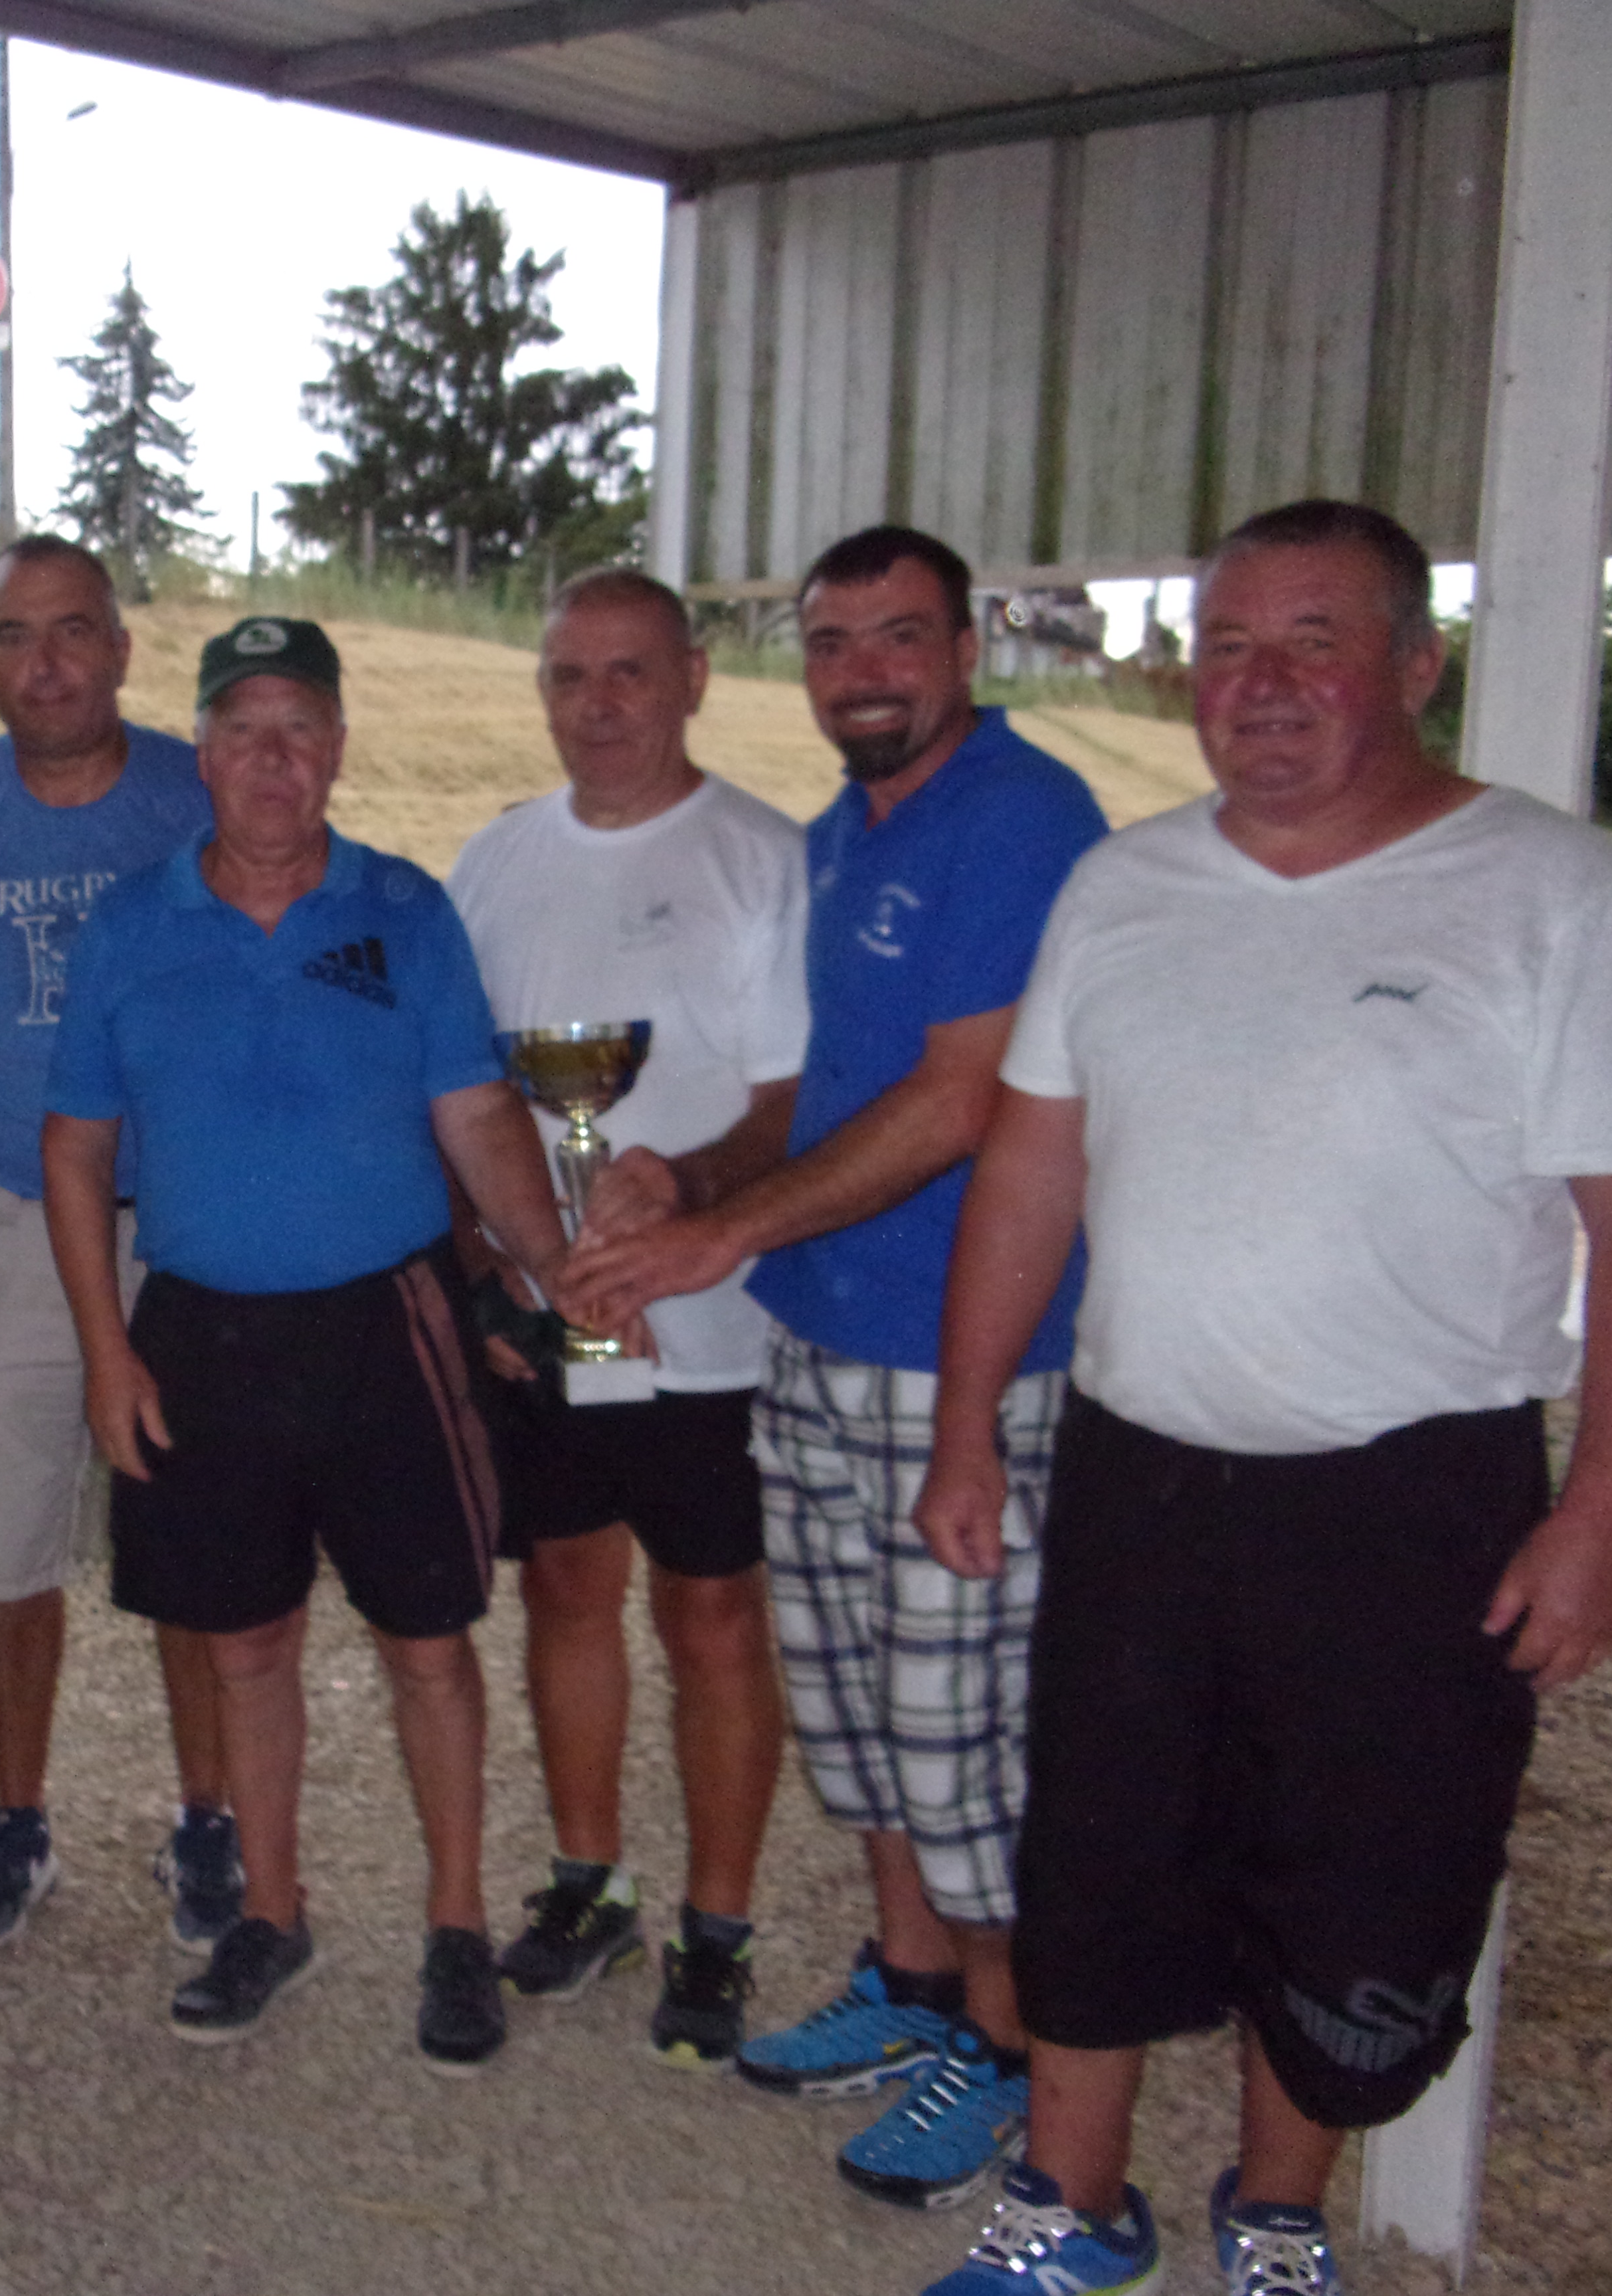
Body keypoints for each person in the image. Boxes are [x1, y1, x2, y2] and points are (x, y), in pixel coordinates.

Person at [905, 500, 1612, 2296]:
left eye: (1314, 643)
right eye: (1227, 647)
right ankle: (1070, 2205)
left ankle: (1277, 2216)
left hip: (1412, 1498)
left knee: (1362, 1874)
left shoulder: (1555, 894)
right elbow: (1031, 1178)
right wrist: (970, 1424)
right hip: (1141, 1471)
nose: (1260, 686)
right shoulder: (1125, 888)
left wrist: (1603, 1522)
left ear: (1419, 666)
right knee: (1098, 1850)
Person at [563, 525, 1107, 2204]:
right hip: (820, 1337)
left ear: (964, 649)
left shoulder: (1021, 822)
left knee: (962, 1744)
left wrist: (719, 1236)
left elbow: (962, 1098)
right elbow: (813, 1096)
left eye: (900, 636)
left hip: (972, 1364)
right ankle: (911, 1986)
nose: (865, 669)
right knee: (861, 1721)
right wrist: (691, 1181)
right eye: (836, 640)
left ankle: (1010, 2059)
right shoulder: (842, 839)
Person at [42, 617, 576, 2072]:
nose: (274, 760)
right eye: (245, 730)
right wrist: (106, 1349)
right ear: (202, 753)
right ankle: (270, 1912)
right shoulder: (130, 924)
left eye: (302, 730)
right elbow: (77, 1148)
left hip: (386, 1326)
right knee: (246, 1644)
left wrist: (556, 1270)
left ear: (336, 749)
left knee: (428, 1641)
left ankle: (457, 1925)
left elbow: (476, 1113)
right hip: (201, 1331)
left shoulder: (404, 911)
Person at [444, 568, 808, 2069]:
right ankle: (588, 1881)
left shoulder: (760, 858)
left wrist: (682, 1203)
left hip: (705, 1318)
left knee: (713, 1613)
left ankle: (718, 1930)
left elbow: (794, 1105)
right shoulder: (494, 862)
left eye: (629, 674)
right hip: (548, 1311)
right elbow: (460, 1089)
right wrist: (486, 1257)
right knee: (565, 1592)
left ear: (694, 680)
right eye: (569, 677)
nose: (598, 705)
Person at [0, 535, 234, 1950]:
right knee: (6, 1537)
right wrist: (46, 1137)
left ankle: (209, 1821)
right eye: (14, 637)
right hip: (15, 1222)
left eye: (73, 631)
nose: (45, 664)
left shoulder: (189, 794)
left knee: (198, 1545)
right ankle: (18, 1816)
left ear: (123, 646)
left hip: (192, 1225)